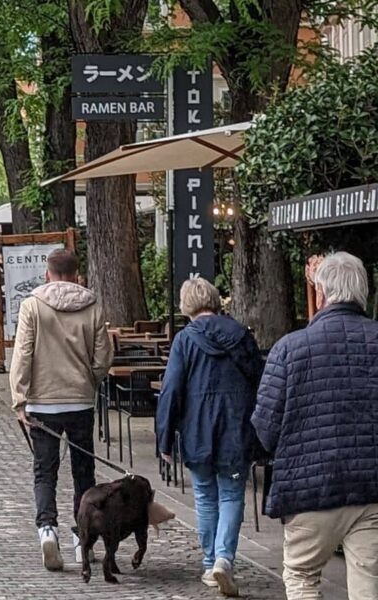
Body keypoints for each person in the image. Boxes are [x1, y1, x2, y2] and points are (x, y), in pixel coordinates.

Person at [252, 252, 378, 600]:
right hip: (372, 486)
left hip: (309, 487)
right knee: (370, 580)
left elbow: (265, 428)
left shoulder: (289, 349)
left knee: (302, 576)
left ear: (321, 294)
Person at [156, 277, 263, 597]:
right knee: (232, 494)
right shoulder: (241, 336)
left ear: (186, 306)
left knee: (204, 496)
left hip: (197, 430)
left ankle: (208, 562)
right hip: (235, 427)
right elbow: (260, 382)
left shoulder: (185, 341)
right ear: (215, 301)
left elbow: (171, 390)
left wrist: (164, 437)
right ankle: (224, 558)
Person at [9, 248, 112, 572]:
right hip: (79, 399)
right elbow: (103, 356)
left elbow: (23, 354)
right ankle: (83, 541)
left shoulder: (32, 306)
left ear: (47, 273)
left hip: (43, 400)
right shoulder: (92, 305)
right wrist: (89, 380)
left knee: (45, 470)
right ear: (77, 274)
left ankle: (46, 529)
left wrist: (19, 397)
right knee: (84, 473)